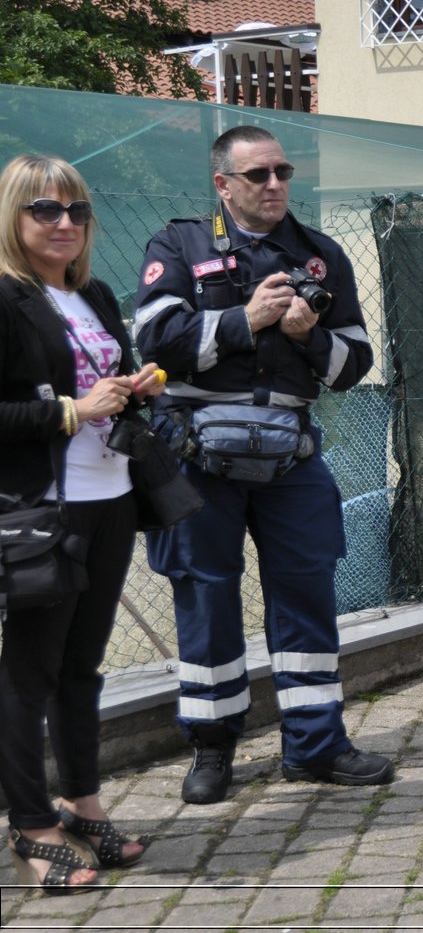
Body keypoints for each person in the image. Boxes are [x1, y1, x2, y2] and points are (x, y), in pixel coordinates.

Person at [135, 126, 393, 804]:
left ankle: (314, 744)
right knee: (206, 596)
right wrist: (242, 321)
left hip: (291, 452)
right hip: (196, 453)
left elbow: (354, 365)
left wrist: (308, 340)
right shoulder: (179, 244)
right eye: (258, 174)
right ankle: (213, 747)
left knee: (308, 590)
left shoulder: (319, 255)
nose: (275, 183)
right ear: (224, 184)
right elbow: (155, 340)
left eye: (281, 171)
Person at [0, 154, 164, 891]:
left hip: (112, 497)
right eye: (45, 209)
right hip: (43, 509)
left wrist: (131, 389)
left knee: (81, 667)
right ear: (14, 215)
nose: (65, 223)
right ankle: (30, 825)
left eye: (76, 211)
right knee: (28, 672)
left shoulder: (92, 292)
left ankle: (82, 802)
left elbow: (104, 385)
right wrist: (71, 410)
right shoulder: (6, 299)